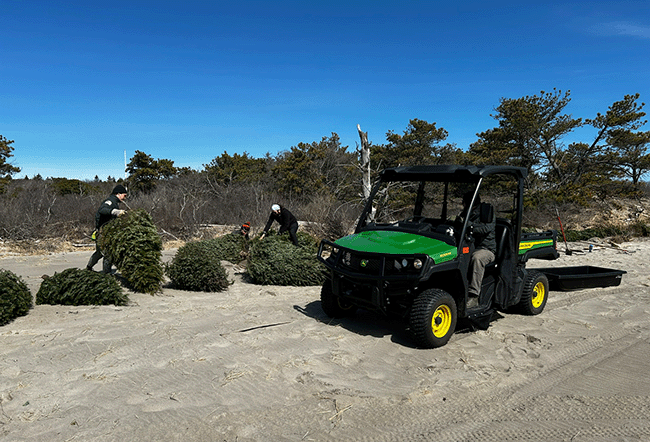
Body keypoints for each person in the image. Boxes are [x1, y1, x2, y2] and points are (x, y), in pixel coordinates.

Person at [456, 192, 496, 308]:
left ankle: (474, 296)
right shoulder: (467, 212)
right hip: (469, 245)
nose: (462, 204)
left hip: (485, 248)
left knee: (477, 259)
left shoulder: (486, 212)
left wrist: (469, 226)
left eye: (464, 202)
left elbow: (487, 228)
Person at [86, 184, 128, 273]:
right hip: (102, 233)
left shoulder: (115, 202)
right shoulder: (109, 201)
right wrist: (115, 211)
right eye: (124, 195)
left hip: (107, 232)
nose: (124, 198)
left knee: (99, 253)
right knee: (108, 253)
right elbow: (102, 210)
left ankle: (89, 268)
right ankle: (107, 275)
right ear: (118, 194)